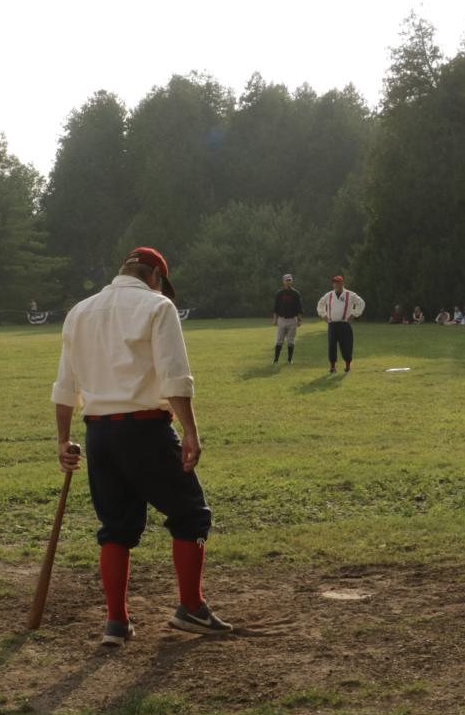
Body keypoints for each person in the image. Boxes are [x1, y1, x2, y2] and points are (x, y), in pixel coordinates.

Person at [51, 246, 232, 648]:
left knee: (116, 527)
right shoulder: (157, 306)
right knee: (190, 514)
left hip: (98, 433)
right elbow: (174, 376)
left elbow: (65, 386)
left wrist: (63, 439)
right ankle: (191, 607)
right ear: (155, 277)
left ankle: (116, 622)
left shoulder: (79, 312)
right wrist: (190, 431)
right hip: (146, 429)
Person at [316, 275, 365, 374]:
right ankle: (332, 367)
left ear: (342, 284)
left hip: (344, 324)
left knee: (346, 345)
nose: (336, 285)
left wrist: (354, 314)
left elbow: (361, 303)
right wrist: (323, 315)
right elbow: (320, 304)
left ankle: (347, 366)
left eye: (338, 283)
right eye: (334, 283)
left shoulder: (350, 294)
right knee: (332, 346)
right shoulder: (329, 295)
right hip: (332, 324)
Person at [271, 273, 303, 363]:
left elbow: (299, 308)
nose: (288, 282)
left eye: (290, 280)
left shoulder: (296, 293)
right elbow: (276, 307)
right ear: (283, 282)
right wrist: (275, 319)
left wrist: (299, 320)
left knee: (291, 340)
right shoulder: (279, 293)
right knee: (279, 340)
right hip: (282, 319)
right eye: (287, 280)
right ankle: (276, 359)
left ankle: (289, 359)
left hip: (292, 319)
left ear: (292, 281)